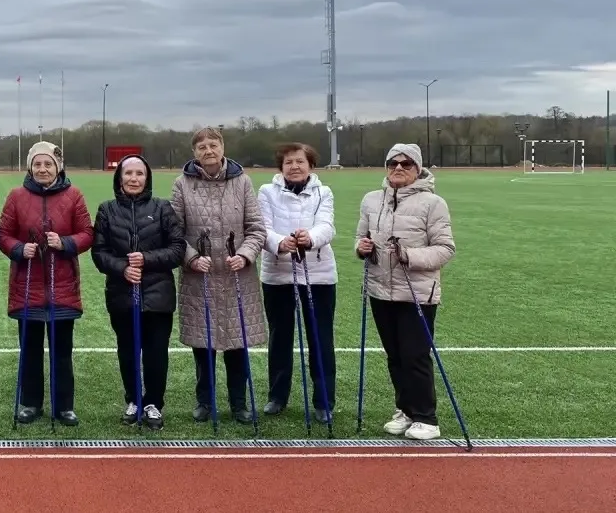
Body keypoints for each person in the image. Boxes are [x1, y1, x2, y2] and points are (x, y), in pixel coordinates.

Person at [355, 143, 455, 441]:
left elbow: (445, 249)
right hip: (379, 289)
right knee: (395, 355)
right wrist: (361, 248)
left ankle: (427, 416)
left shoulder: (433, 203)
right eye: (393, 163)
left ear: (417, 169)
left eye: (406, 164)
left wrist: (409, 255)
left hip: (417, 292)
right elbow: (361, 237)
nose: (398, 168)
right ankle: (405, 410)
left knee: (415, 355)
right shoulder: (372, 200)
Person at [171, 126, 267, 425]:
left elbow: (256, 228)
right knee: (204, 345)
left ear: (222, 147)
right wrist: (191, 258)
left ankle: (239, 403)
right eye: (202, 147)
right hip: (199, 277)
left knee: (237, 344)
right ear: (194, 152)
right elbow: (174, 231)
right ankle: (205, 401)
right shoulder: (182, 184)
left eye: (213, 145)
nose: (208, 151)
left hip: (237, 276)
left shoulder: (242, 182)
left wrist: (246, 254)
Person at [0, 141, 94, 426]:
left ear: (58, 167)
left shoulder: (74, 195)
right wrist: (18, 249)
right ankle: (30, 403)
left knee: (62, 352)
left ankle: (64, 406)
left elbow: (87, 233)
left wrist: (65, 243)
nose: (43, 169)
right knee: (30, 350)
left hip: (63, 286)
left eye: (48, 164)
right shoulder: (16, 196)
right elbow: (3, 233)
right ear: (30, 167)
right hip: (27, 285)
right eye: (37, 164)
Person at [90, 154, 186, 429]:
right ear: (119, 177)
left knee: (156, 352)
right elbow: (99, 252)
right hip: (122, 294)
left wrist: (146, 259)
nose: (133, 179)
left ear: (147, 178)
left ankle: (153, 402)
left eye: (139, 174)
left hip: (158, 295)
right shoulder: (107, 209)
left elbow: (177, 249)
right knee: (128, 350)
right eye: (128, 173)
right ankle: (133, 399)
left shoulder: (162, 208)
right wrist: (122, 268)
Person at [257, 142, 337, 422]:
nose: (294, 166)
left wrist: (309, 238)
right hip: (278, 274)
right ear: (281, 167)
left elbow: (327, 226)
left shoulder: (323, 192)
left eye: (300, 161)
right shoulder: (266, 192)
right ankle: (277, 396)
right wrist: (281, 242)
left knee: (320, 337)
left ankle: (324, 400)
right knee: (280, 337)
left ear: (310, 166)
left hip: (318, 274)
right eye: (289, 162)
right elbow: (261, 229)